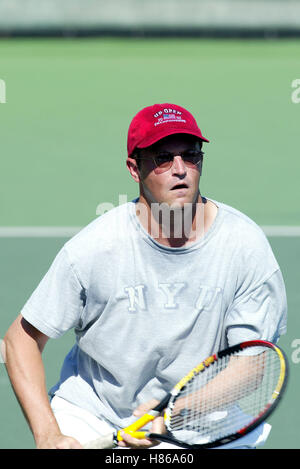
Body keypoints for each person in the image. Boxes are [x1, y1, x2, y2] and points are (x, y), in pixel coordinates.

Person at [4, 103, 287, 450]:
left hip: (201, 420)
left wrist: (173, 414)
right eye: (163, 158)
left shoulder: (245, 247)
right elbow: (21, 340)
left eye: (191, 155)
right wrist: (49, 434)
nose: (180, 169)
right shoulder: (95, 248)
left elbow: (252, 364)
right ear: (135, 169)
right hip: (95, 414)